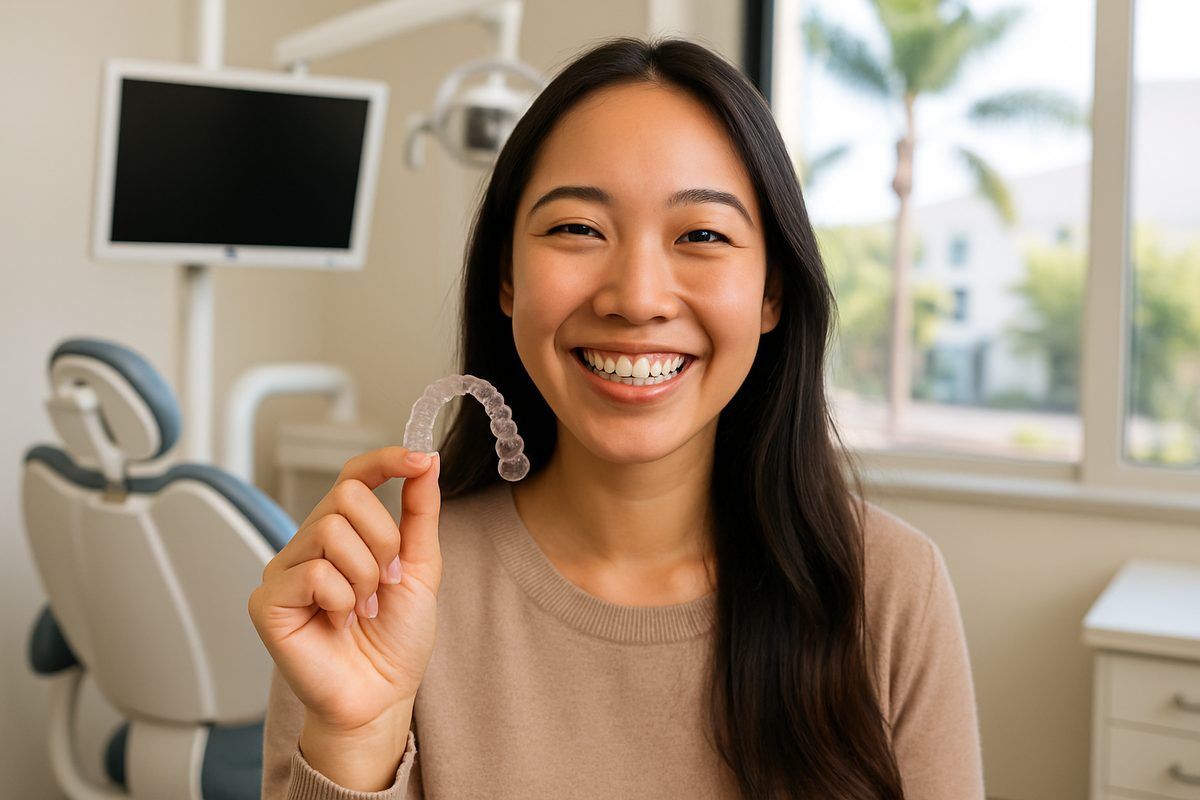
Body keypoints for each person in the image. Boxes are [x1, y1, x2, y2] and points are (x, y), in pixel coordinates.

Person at [248, 35, 985, 800]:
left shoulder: (889, 590)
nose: (637, 297)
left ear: (773, 292)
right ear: (507, 276)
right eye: (577, 229)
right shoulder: (375, 599)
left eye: (701, 235)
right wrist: (354, 739)